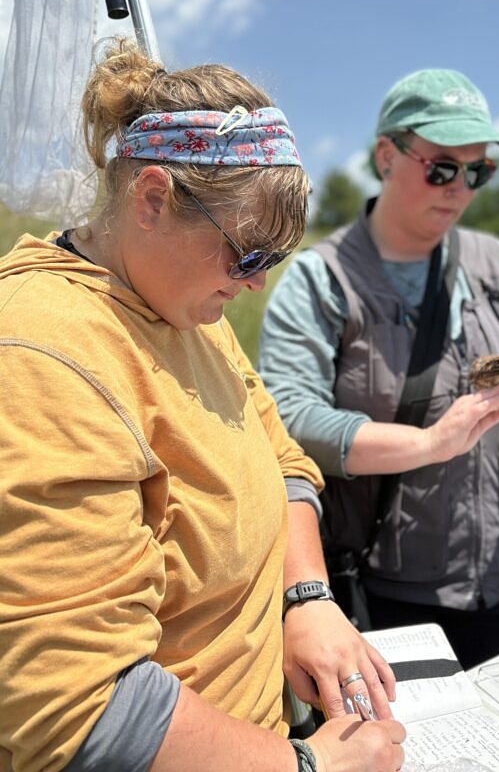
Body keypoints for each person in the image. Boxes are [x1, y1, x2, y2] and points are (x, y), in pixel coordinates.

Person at [0, 38, 406, 772]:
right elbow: (72, 708)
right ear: (152, 198)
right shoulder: (41, 356)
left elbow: (282, 459)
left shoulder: (184, 304)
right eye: (247, 253)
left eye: (273, 263)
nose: (254, 284)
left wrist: (306, 597)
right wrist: (312, 768)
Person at [258, 68, 499, 669]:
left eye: (478, 171)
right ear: (386, 156)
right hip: (384, 589)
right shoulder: (320, 279)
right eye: (442, 167)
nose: (460, 188)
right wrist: (427, 443)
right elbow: (287, 419)